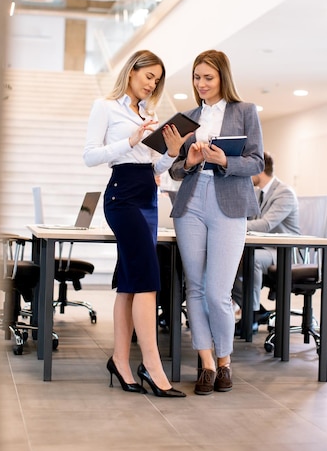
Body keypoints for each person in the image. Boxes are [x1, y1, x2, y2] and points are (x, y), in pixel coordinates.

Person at [83, 50, 187, 398]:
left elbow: (155, 168)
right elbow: (90, 156)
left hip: (148, 198)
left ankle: (121, 361)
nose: (152, 83)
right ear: (131, 72)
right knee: (147, 281)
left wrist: (171, 152)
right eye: (148, 76)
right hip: (122, 197)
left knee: (130, 283)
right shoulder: (106, 107)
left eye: (157, 80)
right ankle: (152, 368)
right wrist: (129, 140)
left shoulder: (147, 115)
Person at [169, 49, 264, 395]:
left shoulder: (245, 112)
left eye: (208, 77)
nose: (201, 83)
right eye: (196, 77)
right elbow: (175, 168)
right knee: (194, 288)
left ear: (223, 77)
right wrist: (190, 161)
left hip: (229, 202)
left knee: (217, 291)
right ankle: (207, 364)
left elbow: (256, 162)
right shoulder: (186, 118)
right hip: (192, 202)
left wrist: (225, 160)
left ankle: (225, 361)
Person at [232, 151, 300, 334]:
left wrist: (233, 225)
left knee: (251, 259)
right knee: (227, 262)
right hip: (263, 248)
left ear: (259, 168)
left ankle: (251, 315)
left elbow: (265, 224)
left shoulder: (284, 192)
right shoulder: (257, 193)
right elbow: (248, 219)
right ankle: (256, 310)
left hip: (284, 252)